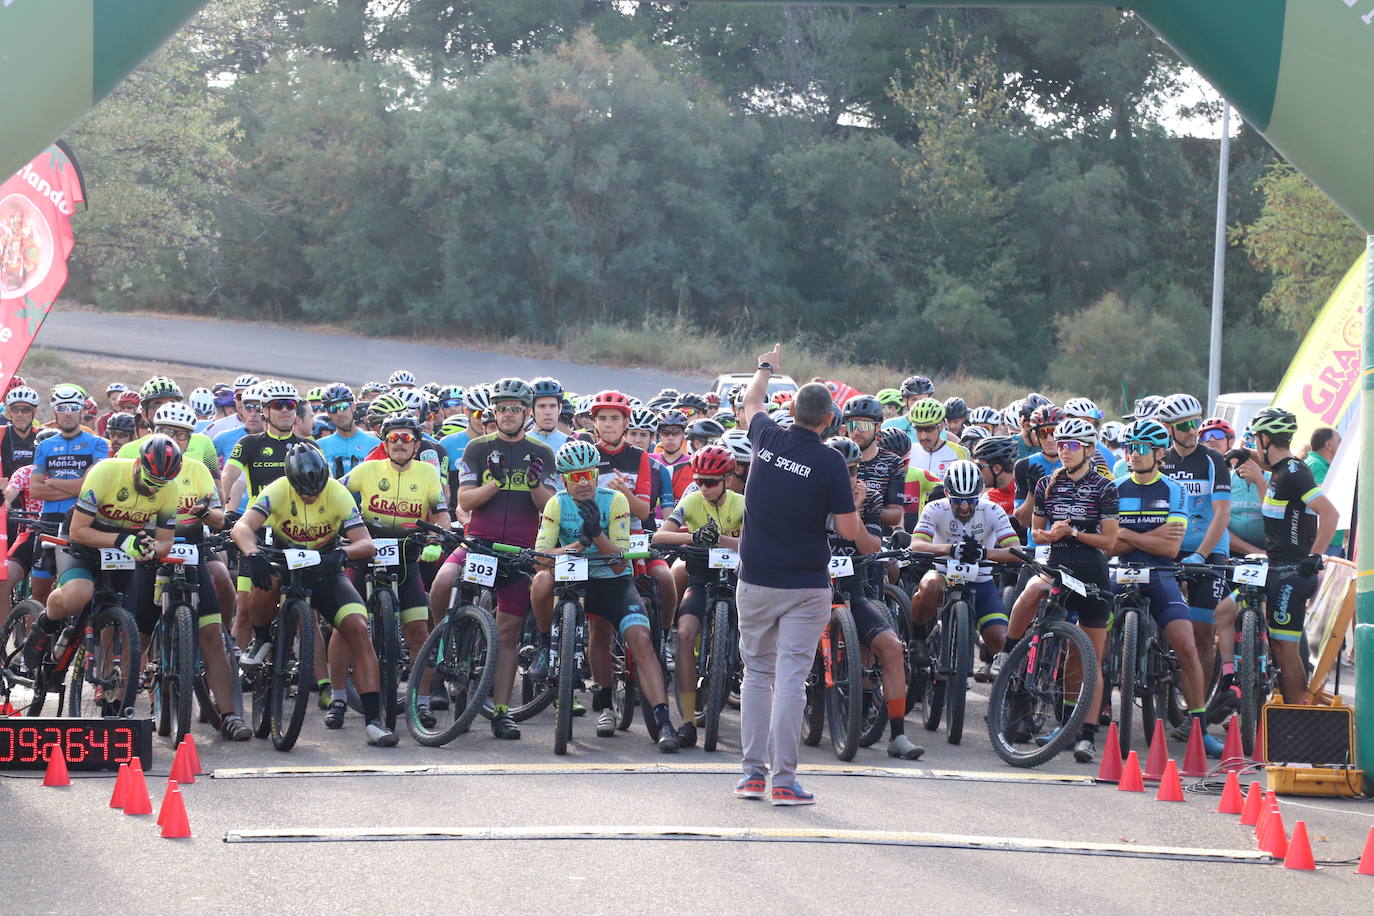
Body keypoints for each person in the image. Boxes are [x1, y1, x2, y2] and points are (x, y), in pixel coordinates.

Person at [735, 345, 868, 806]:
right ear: (829, 420)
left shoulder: (766, 437)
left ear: (790, 410)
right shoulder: (832, 463)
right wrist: (858, 504)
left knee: (756, 673)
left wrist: (765, 367)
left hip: (754, 579)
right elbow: (850, 532)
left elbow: (751, 402)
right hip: (805, 586)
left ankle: (752, 775)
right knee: (791, 678)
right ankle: (784, 781)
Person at [233, 442, 394, 745]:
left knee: (358, 628)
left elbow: (366, 543)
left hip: (325, 568)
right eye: (304, 492)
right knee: (263, 581)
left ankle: (374, 721)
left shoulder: (337, 492)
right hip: (282, 561)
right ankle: (263, 639)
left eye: (316, 491)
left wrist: (344, 553)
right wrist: (252, 552)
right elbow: (242, 527)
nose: (311, 496)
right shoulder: (278, 489)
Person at [529, 439, 681, 751]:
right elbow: (541, 558)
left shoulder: (614, 500)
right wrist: (577, 546)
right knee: (542, 584)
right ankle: (547, 645)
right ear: (563, 478)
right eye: (575, 477)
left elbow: (618, 562)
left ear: (597, 474)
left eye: (589, 475)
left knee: (639, 637)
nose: (584, 483)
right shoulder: (556, 503)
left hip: (612, 579)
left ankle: (664, 720)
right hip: (572, 578)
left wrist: (596, 533)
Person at [1111, 419, 1223, 756]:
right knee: (1090, 638)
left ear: (1160, 453)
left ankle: (1199, 727)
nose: (1134, 454)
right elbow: (1106, 545)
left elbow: (1171, 549)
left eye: (1142, 448)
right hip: (1119, 571)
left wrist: (1126, 535)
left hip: (1161, 573)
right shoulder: (1114, 489)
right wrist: (1145, 538)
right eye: (1130, 448)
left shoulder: (1174, 490)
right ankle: (1082, 721)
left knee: (1188, 648)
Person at [1214, 408, 1338, 705]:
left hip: (1293, 572)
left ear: (1265, 438)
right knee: (1223, 611)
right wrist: (1243, 455)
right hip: (1274, 567)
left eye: (1256, 441)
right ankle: (1230, 682)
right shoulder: (1280, 473)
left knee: (1285, 650)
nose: (1256, 446)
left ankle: (1298, 712)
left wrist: (1315, 556)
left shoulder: (1295, 474)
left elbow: (1330, 514)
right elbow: (1274, 501)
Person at [1304, 426, 1344, 556]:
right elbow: (1327, 495)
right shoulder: (1316, 464)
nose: (1342, 444)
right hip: (1324, 540)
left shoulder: (1319, 464)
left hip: (1330, 538)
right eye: (1339, 440)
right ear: (1328, 444)